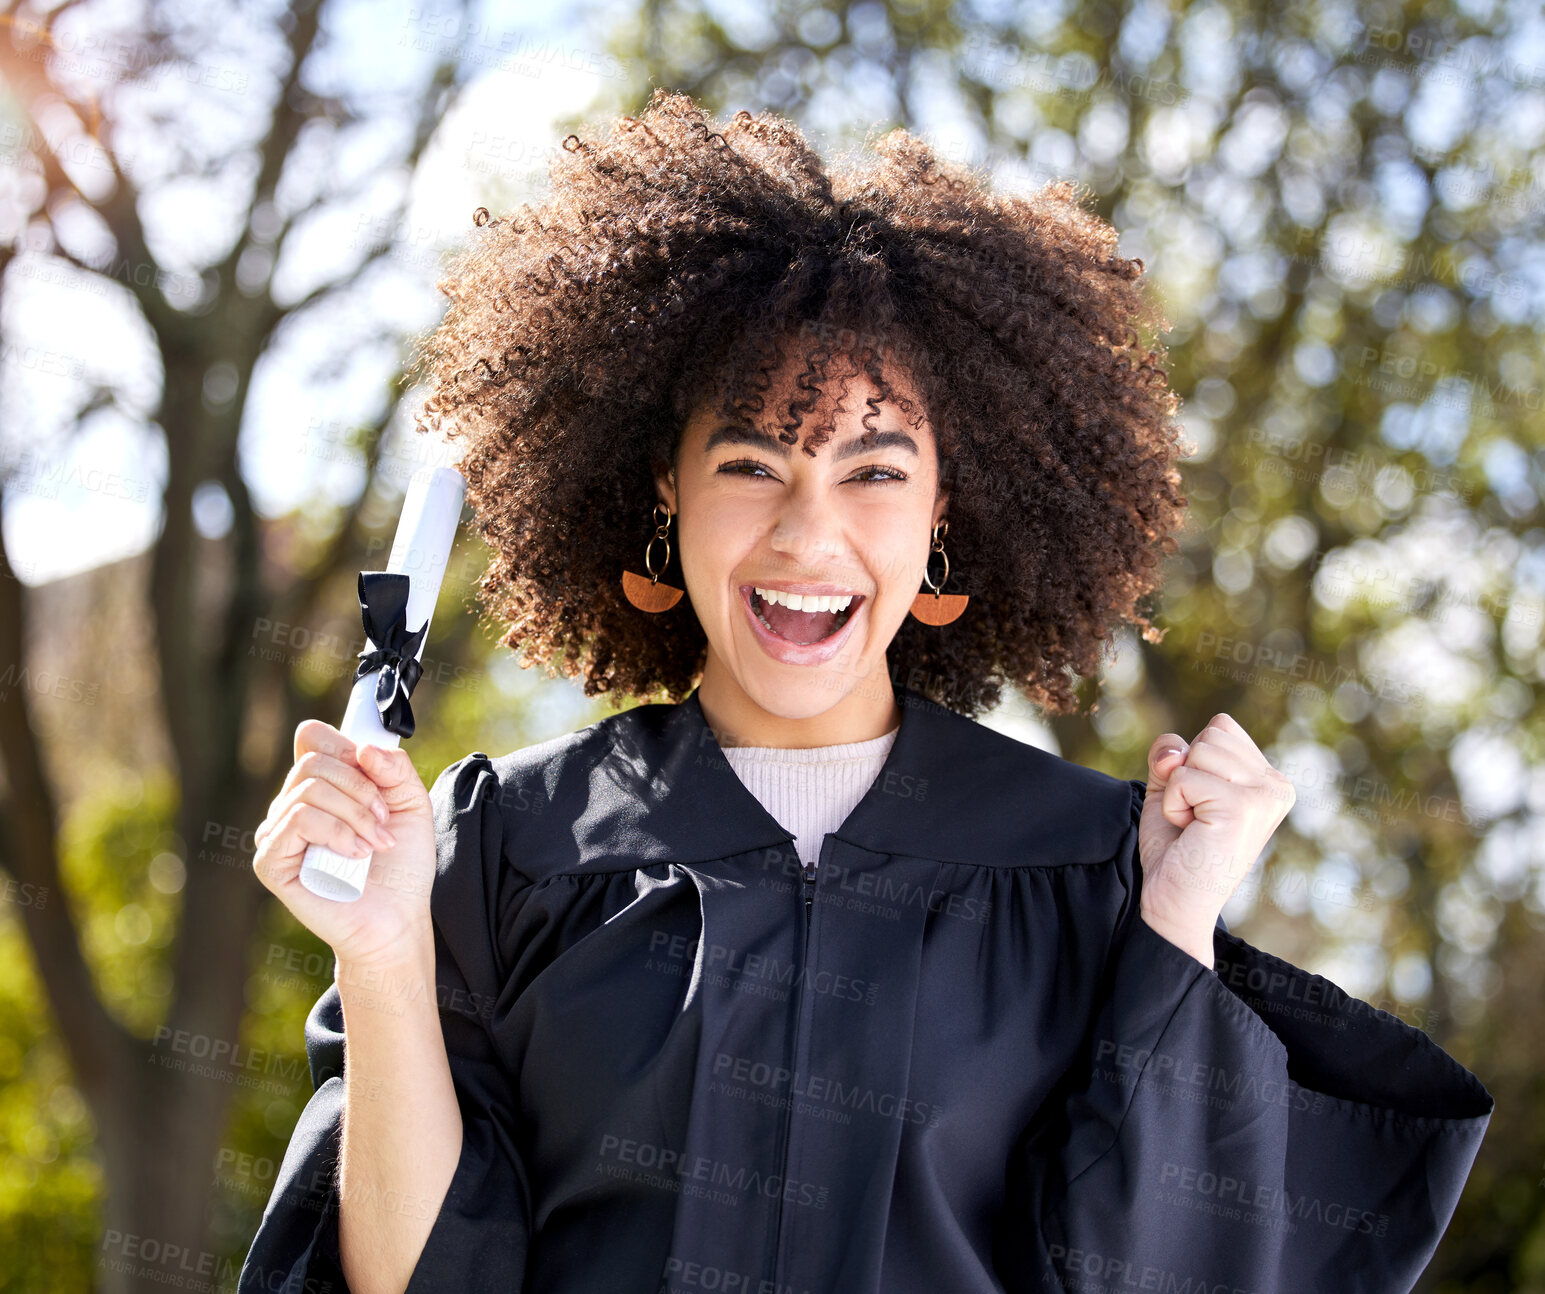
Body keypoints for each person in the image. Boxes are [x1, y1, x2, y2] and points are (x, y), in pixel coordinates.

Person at [238, 90, 1492, 1294]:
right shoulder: (503, 847)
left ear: (946, 507)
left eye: (875, 471)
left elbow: (1138, 1270)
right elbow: (412, 1280)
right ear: (663, 495)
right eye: (749, 461)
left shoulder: (1087, 863)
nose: (807, 532)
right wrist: (386, 949)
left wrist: (1175, 931)